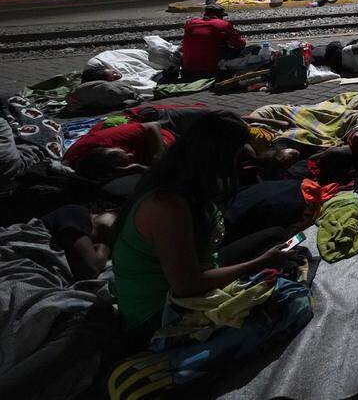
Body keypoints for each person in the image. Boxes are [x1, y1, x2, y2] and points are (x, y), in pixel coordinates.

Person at [111, 111, 292, 343]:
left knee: (274, 236)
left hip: (194, 271)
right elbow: (187, 286)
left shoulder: (180, 176)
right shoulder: (168, 206)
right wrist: (259, 263)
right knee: (277, 297)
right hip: (160, 312)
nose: (243, 158)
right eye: (237, 154)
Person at [64, 121, 174, 179]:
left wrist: (158, 156)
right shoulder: (93, 171)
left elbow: (153, 125)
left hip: (160, 129)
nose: (130, 155)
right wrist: (142, 168)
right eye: (128, 161)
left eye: (124, 153)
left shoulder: (107, 139)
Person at [39, 204, 117, 280]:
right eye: (118, 218)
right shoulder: (76, 212)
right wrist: (104, 248)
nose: (121, 226)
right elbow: (89, 270)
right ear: (109, 211)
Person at [181, 4, 246, 80]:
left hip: (188, 69)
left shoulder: (190, 24)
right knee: (250, 49)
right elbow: (240, 44)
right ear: (219, 15)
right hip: (211, 69)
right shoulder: (222, 24)